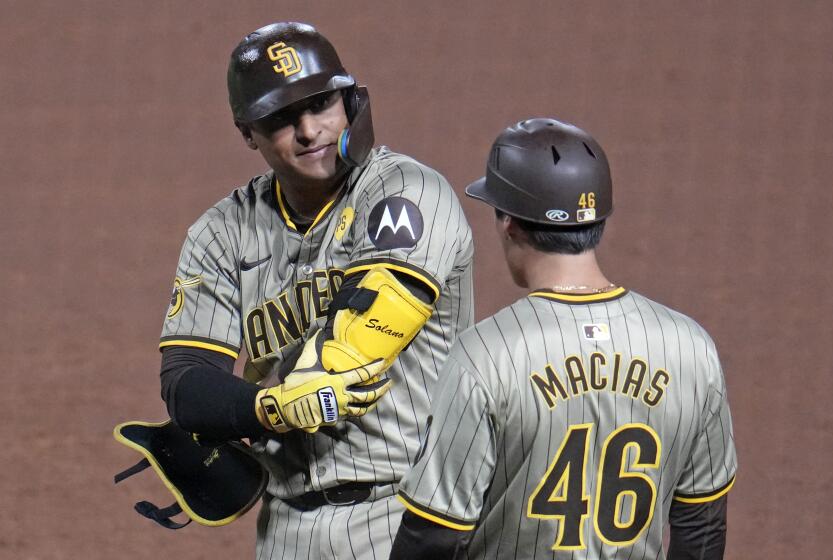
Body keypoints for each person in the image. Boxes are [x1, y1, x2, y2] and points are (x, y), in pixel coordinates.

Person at [158, 22, 473, 559]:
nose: (309, 131)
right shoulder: (221, 232)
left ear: (350, 101)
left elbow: (358, 344)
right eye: (281, 118)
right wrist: (266, 410)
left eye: (321, 103)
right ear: (247, 132)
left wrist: (261, 403)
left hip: (410, 515)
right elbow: (185, 382)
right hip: (285, 528)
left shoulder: (407, 194)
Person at [390, 119, 737, 559]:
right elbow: (702, 527)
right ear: (600, 221)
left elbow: (432, 536)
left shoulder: (484, 355)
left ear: (508, 223)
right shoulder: (691, 347)